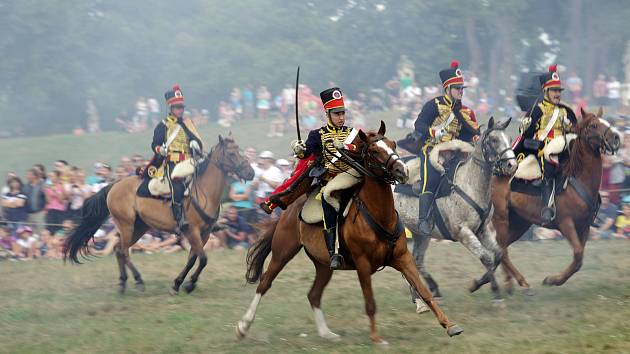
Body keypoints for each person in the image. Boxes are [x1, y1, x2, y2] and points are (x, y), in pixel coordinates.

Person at [260, 87, 358, 269]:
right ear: (328, 114)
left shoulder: (352, 133)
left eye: (343, 113)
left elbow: (360, 150)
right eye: (337, 114)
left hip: (352, 178)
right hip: (329, 182)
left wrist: (347, 147)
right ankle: (333, 252)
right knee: (329, 206)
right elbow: (306, 154)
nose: (341, 118)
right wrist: (299, 149)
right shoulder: (317, 135)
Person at [412, 60, 480, 236]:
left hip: (455, 153)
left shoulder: (465, 111)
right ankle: (423, 220)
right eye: (457, 88)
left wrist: (474, 136)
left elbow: (467, 134)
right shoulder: (434, 104)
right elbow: (419, 124)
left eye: (462, 89)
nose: (460, 92)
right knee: (431, 179)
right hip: (433, 150)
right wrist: (432, 132)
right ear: (447, 89)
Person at [512, 65, 577, 223]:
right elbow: (525, 137)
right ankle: (547, 207)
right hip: (540, 149)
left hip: (561, 147)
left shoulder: (565, 111)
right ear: (545, 91)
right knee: (549, 168)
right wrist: (541, 147)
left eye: (559, 91)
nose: (557, 94)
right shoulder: (536, 110)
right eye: (554, 90)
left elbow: (572, 129)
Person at [150, 84, 203, 233]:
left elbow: (197, 140)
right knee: (177, 186)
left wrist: (196, 143)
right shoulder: (163, 125)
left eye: (182, 107)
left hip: (189, 161)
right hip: (172, 162)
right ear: (171, 108)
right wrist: (160, 149)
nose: (180, 110)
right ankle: (179, 220)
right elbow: (154, 144)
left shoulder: (187, 124)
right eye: (177, 107)